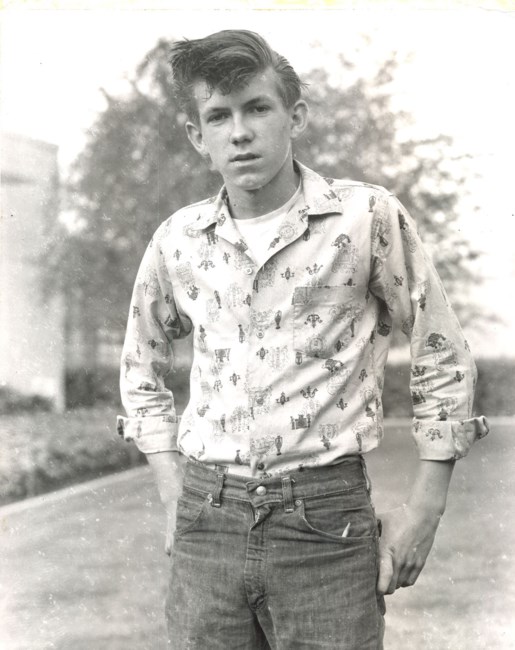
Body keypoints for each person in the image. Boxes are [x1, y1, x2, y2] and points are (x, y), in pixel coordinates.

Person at [117, 29, 489, 649]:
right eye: (219, 116)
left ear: (296, 116)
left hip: (325, 521)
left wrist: (426, 509)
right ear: (197, 136)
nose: (240, 132)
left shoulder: (365, 218)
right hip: (207, 517)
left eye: (257, 108)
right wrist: (171, 487)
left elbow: (441, 352)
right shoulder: (178, 240)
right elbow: (140, 367)